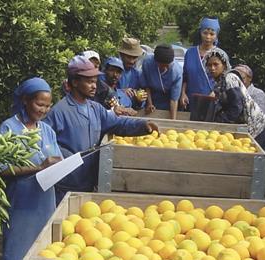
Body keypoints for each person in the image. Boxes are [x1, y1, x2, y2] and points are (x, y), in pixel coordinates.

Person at [43, 56, 158, 203]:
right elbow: (44, 143)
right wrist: (64, 157)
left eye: (95, 81)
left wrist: (142, 126)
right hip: (66, 185)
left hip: (88, 181)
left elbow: (117, 123)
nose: (94, 86)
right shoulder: (59, 111)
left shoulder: (95, 108)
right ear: (75, 82)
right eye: (89, 81)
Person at [0, 77, 62, 260]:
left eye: (47, 105)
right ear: (25, 100)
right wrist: (38, 167)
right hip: (21, 203)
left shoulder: (47, 130)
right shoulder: (10, 128)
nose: (43, 110)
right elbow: (1, 167)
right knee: (14, 259)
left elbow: (56, 159)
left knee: (42, 257)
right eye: (39, 104)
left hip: (44, 203)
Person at [203, 48, 265, 140]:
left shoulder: (230, 78)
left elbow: (236, 106)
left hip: (257, 126)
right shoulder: (220, 83)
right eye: (209, 65)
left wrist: (220, 121)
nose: (212, 68)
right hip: (246, 127)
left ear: (224, 65)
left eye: (216, 64)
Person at [180, 17, 228, 113]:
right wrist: (183, 94)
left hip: (212, 101)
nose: (208, 37)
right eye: (205, 33)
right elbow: (185, 77)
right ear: (200, 33)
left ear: (216, 35)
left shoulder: (220, 55)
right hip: (191, 100)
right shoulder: (190, 53)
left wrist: (216, 93)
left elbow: (226, 79)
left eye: (212, 34)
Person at [140, 44, 183, 120]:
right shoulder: (147, 63)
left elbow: (174, 100)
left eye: (167, 65)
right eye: (162, 65)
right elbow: (146, 86)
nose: (165, 68)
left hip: (169, 100)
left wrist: (173, 121)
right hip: (153, 97)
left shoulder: (177, 71)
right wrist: (150, 103)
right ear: (155, 61)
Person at [234, 64, 265, 149]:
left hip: (256, 144)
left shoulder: (258, 94)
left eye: (242, 78)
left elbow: (260, 120)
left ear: (249, 79)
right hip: (237, 142)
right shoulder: (232, 94)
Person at [117, 37, 147, 106]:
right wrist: (122, 92)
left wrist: (140, 100)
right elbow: (105, 90)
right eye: (129, 57)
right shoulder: (113, 71)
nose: (131, 61)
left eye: (134, 58)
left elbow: (140, 103)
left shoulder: (137, 74)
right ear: (122, 55)